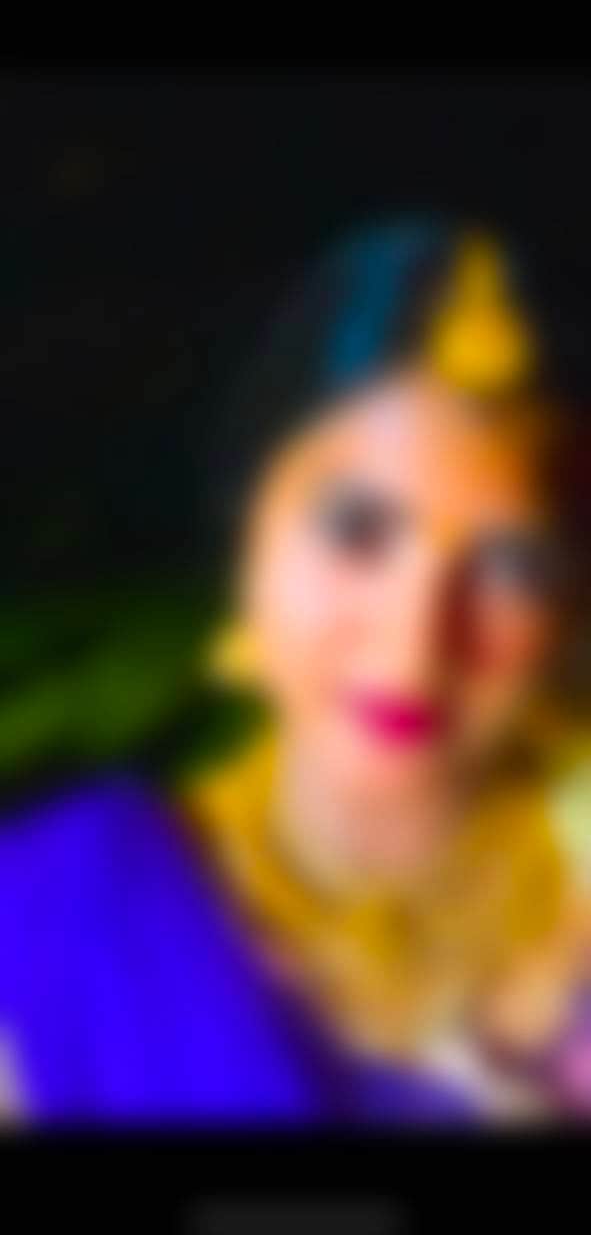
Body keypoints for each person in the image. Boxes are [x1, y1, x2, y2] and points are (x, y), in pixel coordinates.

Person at [0, 218, 589, 1125]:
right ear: (248, 552)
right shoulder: (61, 916)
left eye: (512, 566)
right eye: (355, 531)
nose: (412, 647)